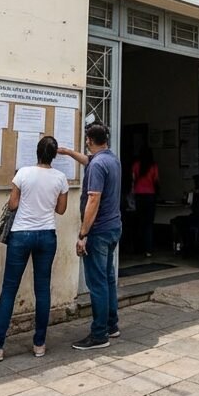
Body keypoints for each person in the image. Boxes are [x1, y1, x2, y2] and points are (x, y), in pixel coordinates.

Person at [0, 135, 68, 362]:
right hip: (47, 234)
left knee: (9, 290)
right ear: (54, 155)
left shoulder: (24, 173)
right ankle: (39, 344)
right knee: (43, 289)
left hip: (21, 234)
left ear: (37, 152)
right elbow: (61, 210)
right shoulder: (60, 178)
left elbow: (13, 204)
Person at [58, 121, 122, 349]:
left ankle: (99, 335)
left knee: (97, 283)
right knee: (107, 278)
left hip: (99, 230)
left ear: (89, 140)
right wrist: (67, 152)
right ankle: (112, 325)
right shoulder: (110, 159)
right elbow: (88, 160)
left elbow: (93, 200)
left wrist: (83, 233)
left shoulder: (97, 166)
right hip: (114, 227)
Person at [130, 147, 159, 257]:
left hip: (139, 196)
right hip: (150, 196)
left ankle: (138, 248)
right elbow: (156, 180)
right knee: (149, 224)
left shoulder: (136, 165)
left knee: (139, 223)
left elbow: (133, 179)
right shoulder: (153, 166)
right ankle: (149, 250)